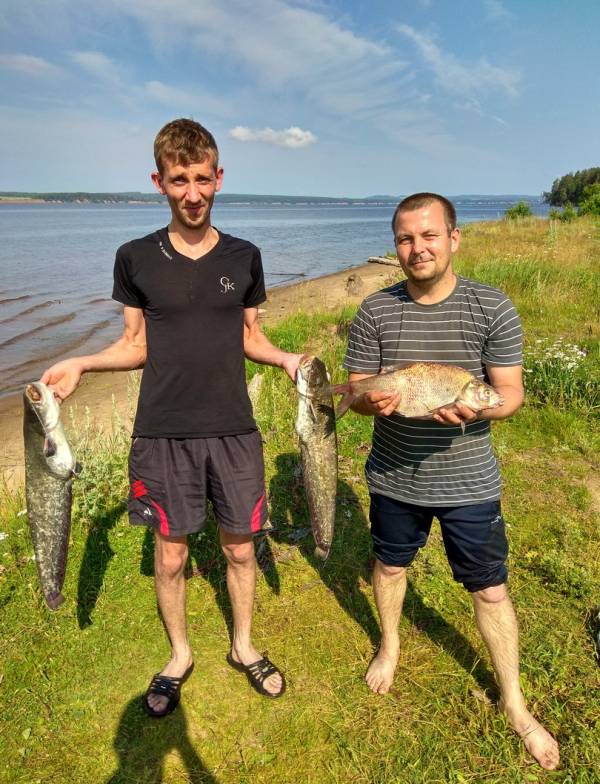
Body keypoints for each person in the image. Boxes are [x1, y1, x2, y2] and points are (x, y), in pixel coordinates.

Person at [42, 118, 303, 716]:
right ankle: (180, 654)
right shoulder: (135, 258)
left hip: (234, 428)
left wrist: (287, 358)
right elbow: (135, 344)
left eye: (202, 179)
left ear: (219, 178)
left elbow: (249, 336)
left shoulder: (245, 256)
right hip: (162, 431)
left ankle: (242, 645)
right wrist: (82, 362)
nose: (192, 193)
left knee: (241, 551)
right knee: (171, 555)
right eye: (179, 180)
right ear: (158, 182)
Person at [342, 193, 559, 770]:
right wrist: (373, 403)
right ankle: (389, 647)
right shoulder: (374, 312)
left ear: (454, 238)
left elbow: (509, 395)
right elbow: (359, 391)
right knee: (390, 567)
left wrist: (479, 410)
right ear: (397, 247)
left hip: (469, 483)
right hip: (393, 477)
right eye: (407, 239)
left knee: (490, 588)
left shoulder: (492, 307)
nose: (418, 248)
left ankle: (514, 702)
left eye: (430, 235)